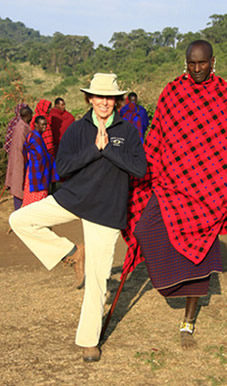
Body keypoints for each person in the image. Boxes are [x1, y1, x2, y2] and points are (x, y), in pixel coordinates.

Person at [122, 40, 227, 349]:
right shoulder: (172, 92)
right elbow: (156, 135)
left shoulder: (225, 96)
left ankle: (188, 321)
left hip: (209, 188)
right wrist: (141, 170)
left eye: (202, 64)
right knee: (144, 229)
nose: (196, 70)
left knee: (201, 252)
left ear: (212, 61)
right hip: (170, 183)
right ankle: (170, 281)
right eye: (191, 64)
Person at [9, 73, 147, 362]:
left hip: (107, 210)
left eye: (109, 97)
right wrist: (93, 150)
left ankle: (89, 341)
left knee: (97, 280)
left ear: (117, 100)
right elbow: (63, 166)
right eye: (99, 97)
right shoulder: (77, 129)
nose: (104, 103)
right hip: (73, 198)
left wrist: (109, 149)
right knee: (19, 220)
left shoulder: (128, 131)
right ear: (90, 98)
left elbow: (139, 170)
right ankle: (71, 252)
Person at [22, 116, 59, 207]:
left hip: (32, 171)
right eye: (42, 124)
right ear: (36, 124)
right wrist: (50, 158)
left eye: (45, 124)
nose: (44, 127)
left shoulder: (32, 135)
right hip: (37, 173)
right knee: (37, 199)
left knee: (30, 198)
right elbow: (41, 157)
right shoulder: (36, 138)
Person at [5, 106, 33, 210]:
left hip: (20, 160)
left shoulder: (22, 126)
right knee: (19, 187)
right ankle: (18, 214)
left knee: (19, 186)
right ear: (27, 115)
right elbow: (22, 148)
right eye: (31, 114)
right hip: (20, 161)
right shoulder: (22, 128)